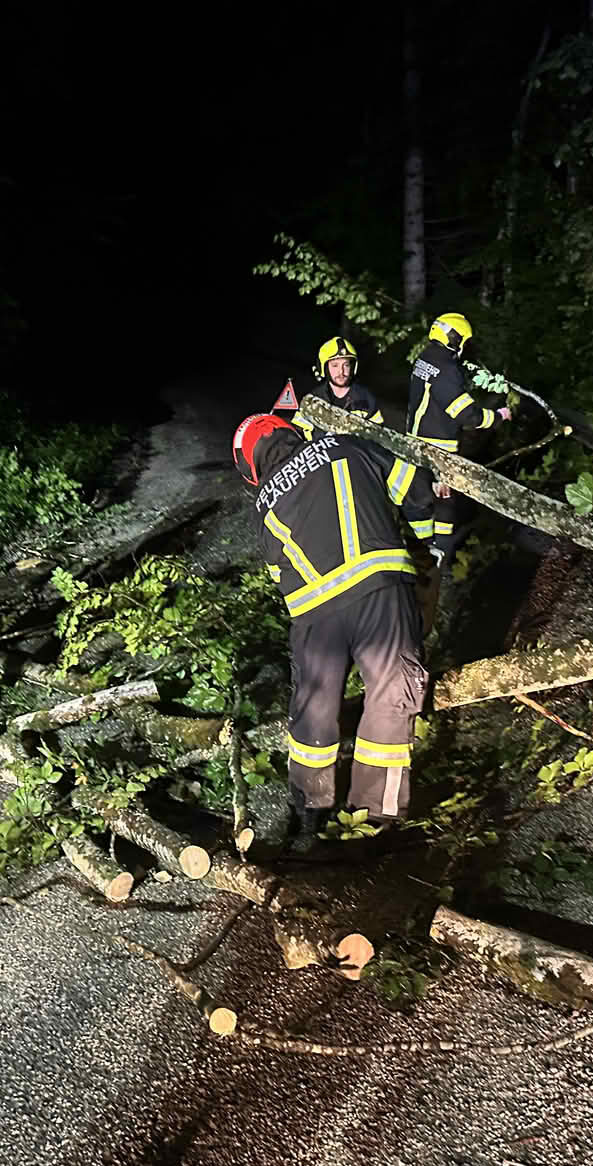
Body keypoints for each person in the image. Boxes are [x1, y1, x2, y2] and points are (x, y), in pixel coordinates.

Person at [232, 412, 438, 839]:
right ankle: (374, 815)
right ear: (289, 432)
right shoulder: (346, 445)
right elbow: (415, 487)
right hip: (379, 590)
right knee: (390, 691)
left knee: (314, 708)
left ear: (252, 469)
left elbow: (278, 573)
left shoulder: (263, 504)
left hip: (313, 617)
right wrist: (423, 544)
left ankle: (309, 809)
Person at [406, 312, 512, 633]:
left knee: (420, 501)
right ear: (457, 340)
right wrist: (497, 416)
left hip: (417, 444)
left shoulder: (425, 358)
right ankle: (440, 560)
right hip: (439, 450)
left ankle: (426, 554)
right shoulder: (447, 368)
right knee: (445, 506)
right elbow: (466, 414)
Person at [274, 336, 384, 439]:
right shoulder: (313, 401)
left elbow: (378, 437)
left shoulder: (365, 399)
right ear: (324, 368)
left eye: (346, 365)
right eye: (335, 365)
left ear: (353, 367)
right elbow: (298, 436)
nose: (341, 372)